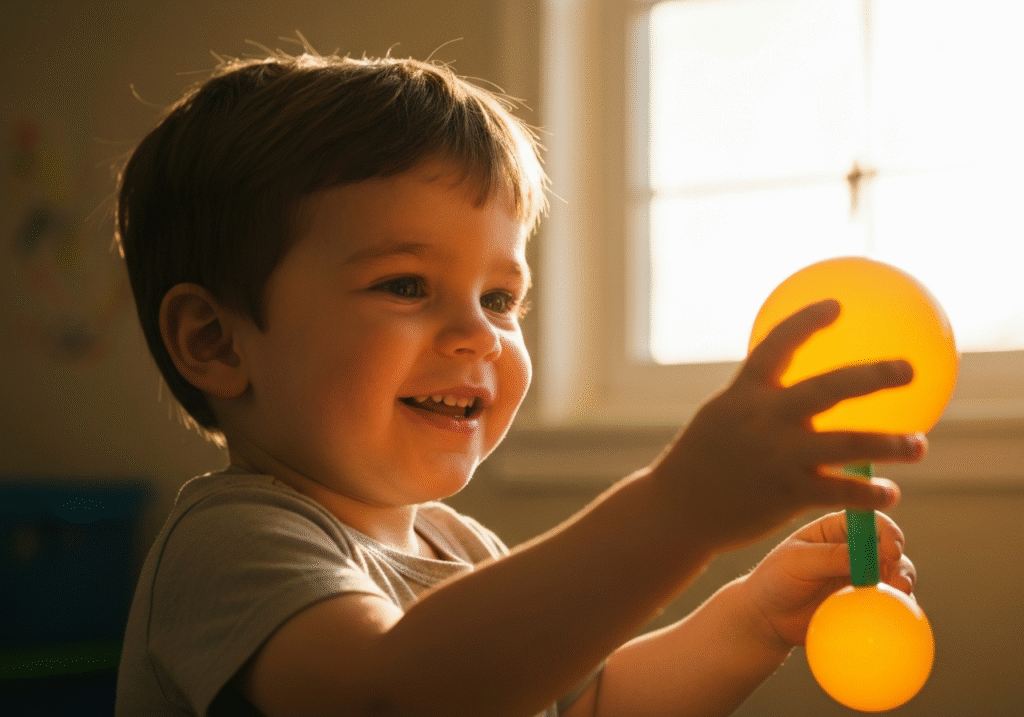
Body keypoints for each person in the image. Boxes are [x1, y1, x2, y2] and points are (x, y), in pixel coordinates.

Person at [114, 47, 926, 717]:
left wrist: (753, 618)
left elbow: (593, 707)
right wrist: (682, 507)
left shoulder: (463, 549)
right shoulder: (227, 544)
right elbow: (395, 696)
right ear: (215, 340)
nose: (479, 334)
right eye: (405, 285)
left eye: (501, 298)